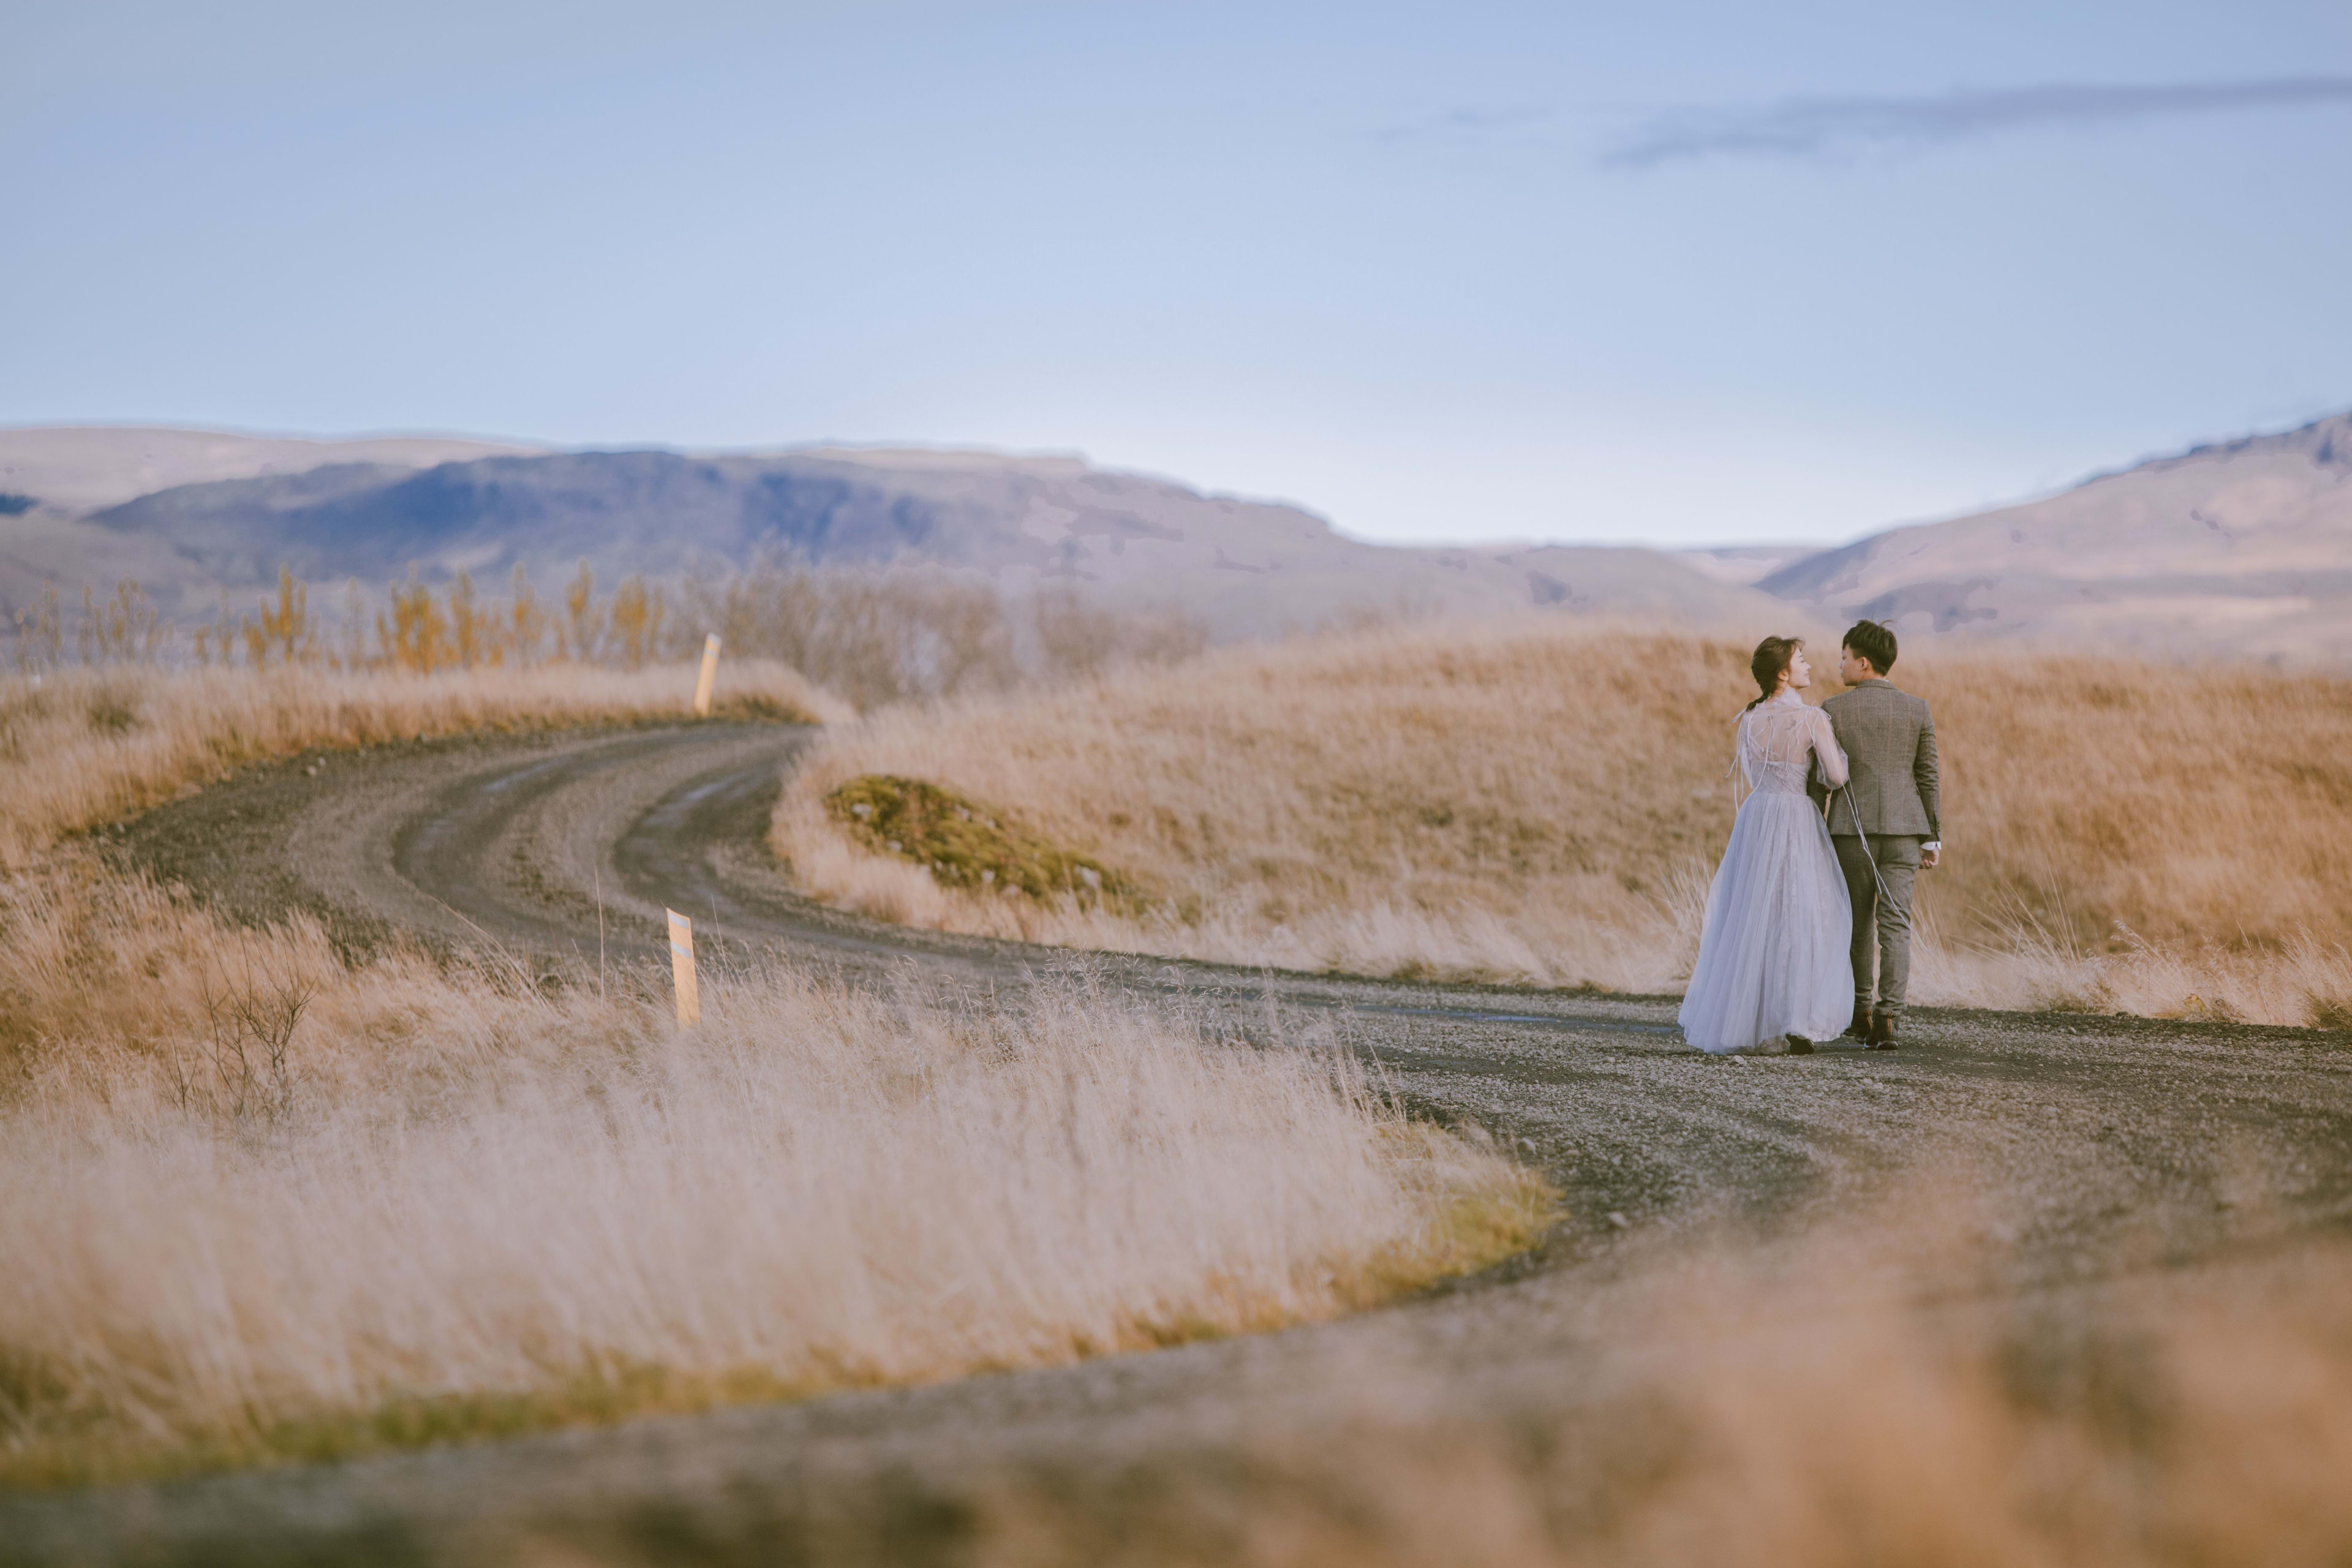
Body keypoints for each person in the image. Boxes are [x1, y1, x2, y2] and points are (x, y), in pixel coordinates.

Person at [1678, 636, 1853, 1055]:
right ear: (1783, 673)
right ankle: (1795, 1015)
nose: (1809, 666)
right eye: (1802, 660)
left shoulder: (1750, 719)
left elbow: (1755, 769)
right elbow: (1836, 776)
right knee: (1800, 910)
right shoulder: (1812, 719)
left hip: (1757, 818)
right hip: (1795, 816)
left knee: (1753, 912)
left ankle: (1751, 1018)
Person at [1809, 619, 1940, 1051]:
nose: (1839, 665)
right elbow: (1928, 777)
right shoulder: (1918, 709)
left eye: (1844, 658)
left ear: (1863, 663)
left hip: (1850, 831)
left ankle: (1861, 1012)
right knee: (1896, 926)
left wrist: (1812, 827)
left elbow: (1820, 778)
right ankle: (1889, 1019)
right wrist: (1932, 836)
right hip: (1906, 832)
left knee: (1857, 924)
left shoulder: (1832, 709)